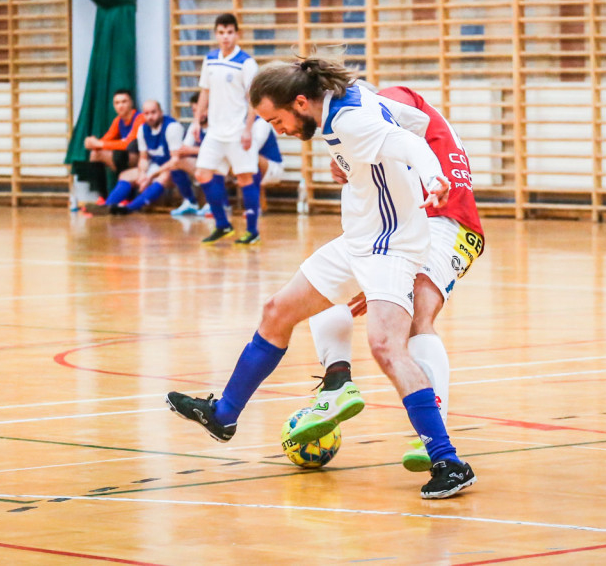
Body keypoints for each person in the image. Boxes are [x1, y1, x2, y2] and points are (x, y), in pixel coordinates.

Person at [167, 58, 475, 499]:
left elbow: (408, 141)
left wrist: (432, 177)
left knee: (387, 346)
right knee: (277, 311)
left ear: (300, 102)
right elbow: (415, 119)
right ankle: (225, 414)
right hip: (359, 239)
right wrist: (358, 167)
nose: (279, 130)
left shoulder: (349, 119)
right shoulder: (348, 98)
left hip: (390, 243)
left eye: (277, 120)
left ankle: (447, 460)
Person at [305, 85, 485, 474]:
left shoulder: (387, 101)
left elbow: (393, 133)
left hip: (446, 222)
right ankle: (337, 383)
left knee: (418, 315)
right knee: (322, 289)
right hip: (399, 224)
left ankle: (435, 435)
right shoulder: (367, 120)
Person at [193, 13, 262, 245]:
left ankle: (252, 231)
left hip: (237, 130)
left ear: (237, 33)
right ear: (216, 34)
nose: (225, 37)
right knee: (202, 173)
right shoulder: (210, 59)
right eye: (221, 32)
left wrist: (248, 129)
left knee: (244, 178)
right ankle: (223, 225)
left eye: (230, 32)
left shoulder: (246, 63)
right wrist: (195, 121)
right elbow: (205, 91)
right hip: (214, 131)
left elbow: (253, 98)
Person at [102, 100, 199, 214]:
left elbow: (175, 160)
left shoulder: (171, 127)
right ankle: (107, 206)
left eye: (153, 113)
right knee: (125, 175)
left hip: (173, 169)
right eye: (146, 114)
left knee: (164, 176)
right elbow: (143, 158)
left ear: (161, 112)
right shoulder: (143, 129)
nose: (150, 117)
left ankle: (130, 208)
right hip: (155, 166)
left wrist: (151, 176)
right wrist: (143, 173)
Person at [84, 89, 145, 192]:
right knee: (95, 154)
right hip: (125, 158)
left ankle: (126, 195)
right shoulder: (118, 121)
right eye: (117, 103)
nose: (120, 106)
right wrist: (92, 143)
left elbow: (128, 144)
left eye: (124, 102)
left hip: (141, 157)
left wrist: (99, 143)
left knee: (119, 155)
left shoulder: (140, 118)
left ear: (131, 103)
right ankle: (103, 196)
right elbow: (105, 140)